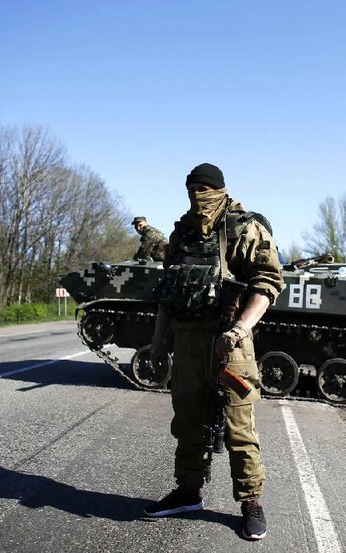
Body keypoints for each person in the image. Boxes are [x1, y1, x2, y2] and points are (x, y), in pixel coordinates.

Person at [144, 163, 284, 541]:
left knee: (239, 427)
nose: (198, 195)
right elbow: (167, 296)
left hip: (230, 342)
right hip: (188, 342)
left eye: (204, 188)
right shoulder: (181, 233)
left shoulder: (244, 227)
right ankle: (188, 492)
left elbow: (268, 282)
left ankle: (251, 502)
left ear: (220, 189)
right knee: (188, 420)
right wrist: (159, 343)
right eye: (192, 189)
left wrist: (240, 329)